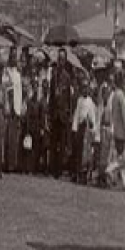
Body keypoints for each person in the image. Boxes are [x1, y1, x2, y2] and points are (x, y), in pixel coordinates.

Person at [50, 48, 73, 178]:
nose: (61, 61)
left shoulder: (67, 77)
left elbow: (69, 98)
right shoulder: (53, 75)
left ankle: (59, 169)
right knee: (54, 142)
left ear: (65, 61)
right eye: (59, 59)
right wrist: (49, 113)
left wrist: (68, 114)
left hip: (63, 114)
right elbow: (51, 98)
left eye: (63, 59)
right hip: (54, 113)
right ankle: (53, 168)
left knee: (62, 143)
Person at [71, 79, 96, 184]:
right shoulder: (79, 100)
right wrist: (74, 128)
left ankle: (84, 175)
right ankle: (76, 173)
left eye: (86, 88)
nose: (85, 90)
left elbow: (92, 117)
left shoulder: (90, 102)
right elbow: (76, 114)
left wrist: (91, 125)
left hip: (86, 128)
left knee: (85, 153)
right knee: (78, 151)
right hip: (80, 128)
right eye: (83, 88)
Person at [5, 47, 23, 173]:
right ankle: (7, 164)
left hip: (17, 108)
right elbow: (9, 91)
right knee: (8, 137)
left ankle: (13, 163)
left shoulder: (18, 74)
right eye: (12, 57)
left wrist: (19, 108)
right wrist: (10, 107)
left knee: (14, 139)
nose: (13, 59)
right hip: (9, 108)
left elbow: (19, 93)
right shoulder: (7, 72)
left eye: (15, 57)